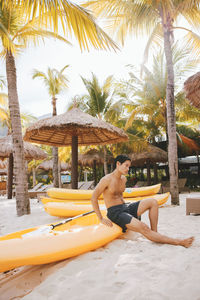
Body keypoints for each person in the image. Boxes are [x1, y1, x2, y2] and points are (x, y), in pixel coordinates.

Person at [91, 155, 194, 248]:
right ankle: (179, 242)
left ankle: (155, 233)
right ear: (118, 164)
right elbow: (93, 197)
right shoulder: (106, 179)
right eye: (126, 166)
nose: (128, 169)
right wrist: (101, 218)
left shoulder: (123, 179)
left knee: (153, 202)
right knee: (144, 227)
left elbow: (119, 196)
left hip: (125, 208)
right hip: (115, 213)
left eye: (129, 166)